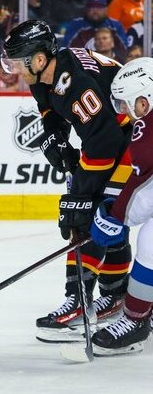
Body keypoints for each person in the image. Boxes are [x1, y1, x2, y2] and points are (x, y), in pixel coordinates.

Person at [1, 20, 134, 343]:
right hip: (112, 138)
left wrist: (82, 197)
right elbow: (48, 109)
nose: (16, 69)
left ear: (40, 58)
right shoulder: (42, 74)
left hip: (131, 141)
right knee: (99, 217)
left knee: (96, 216)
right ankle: (114, 296)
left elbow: (103, 143)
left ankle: (79, 300)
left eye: (19, 61)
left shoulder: (76, 83)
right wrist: (55, 136)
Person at [88, 57, 153, 356]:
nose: (125, 113)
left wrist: (116, 216)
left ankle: (136, 320)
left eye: (125, 104)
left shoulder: (147, 131)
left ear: (144, 101)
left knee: (151, 242)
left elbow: (147, 188)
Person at [62, 0, 128, 63]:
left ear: (106, 9)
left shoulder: (115, 26)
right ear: (86, 9)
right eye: (92, 7)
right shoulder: (75, 25)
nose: (95, 11)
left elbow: (124, 50)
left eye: (99, 7)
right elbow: (67, 51)